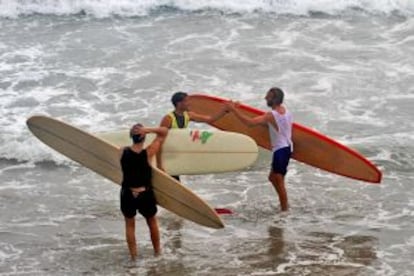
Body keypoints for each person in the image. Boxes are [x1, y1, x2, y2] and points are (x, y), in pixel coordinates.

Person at [227, 87, 293, 211]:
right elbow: (276, 125)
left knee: (278, 181)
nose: (265, 98)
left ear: (274, 99)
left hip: (280, 150)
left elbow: (250, 123)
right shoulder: (286, 112)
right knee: (273, 178)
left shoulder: (270, 115)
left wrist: (233, 110)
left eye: (268, 96)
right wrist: (240, 107)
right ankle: (284, 206)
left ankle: (285, 210)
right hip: (287, 148)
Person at [119, 123, 168, 260]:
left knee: (129, 224)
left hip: (127, 193)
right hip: (145, 194)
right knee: (152, 222)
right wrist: (149, 130)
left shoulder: (122, 151)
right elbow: (164, 132)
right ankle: (157, 253)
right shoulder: (149, 152)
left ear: (131, 136)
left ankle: (134, 257)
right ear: (144, 137)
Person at [158, 91, 229, 180]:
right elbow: (158, 141)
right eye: (187, 101)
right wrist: (159, 165)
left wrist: (224, 110)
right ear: (179, 103)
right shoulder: (168, 119)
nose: (189, 103)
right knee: (172, 180)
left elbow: (210, 119)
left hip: (175, 152)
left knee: (175, 178)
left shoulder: (188, 115)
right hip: (165, 154)